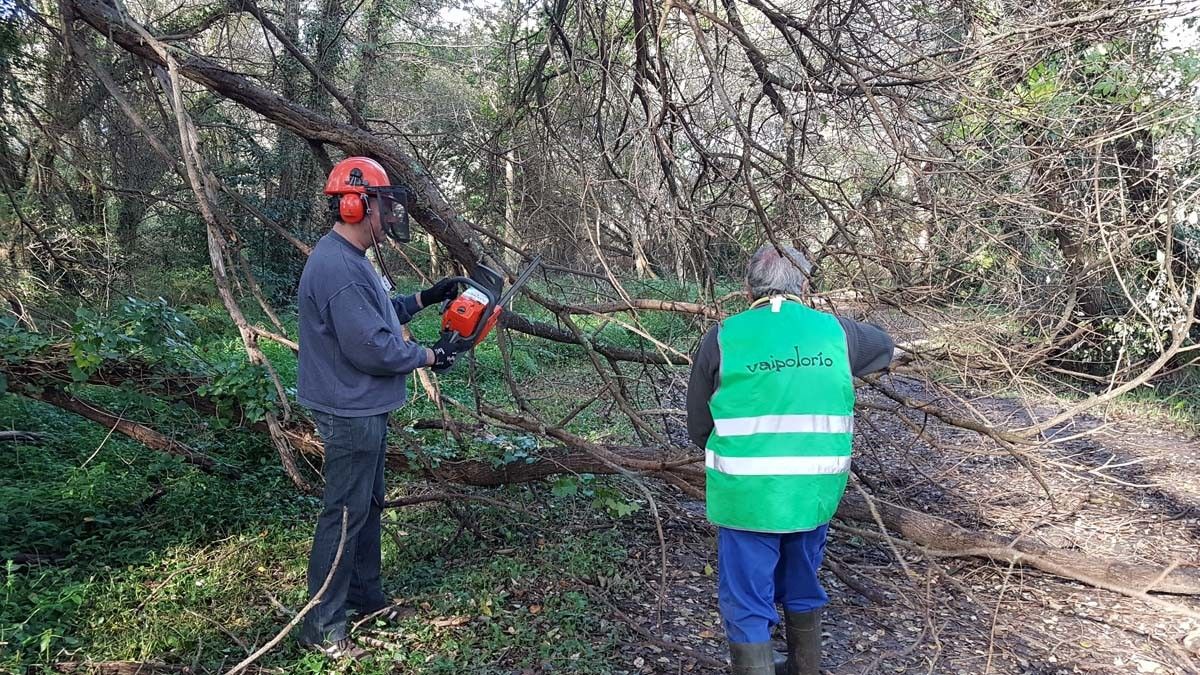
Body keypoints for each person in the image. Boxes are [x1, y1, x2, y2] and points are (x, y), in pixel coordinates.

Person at [685, 244, 895, 675]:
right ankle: (804, 668)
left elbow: (698, 426)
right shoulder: (837, 333)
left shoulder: (724, 336)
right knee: (802, 583)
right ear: (805, 285)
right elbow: (886, 348)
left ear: (747, 289)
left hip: (747, 497)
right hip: (813, 494)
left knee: (746, 599)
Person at [295, 156, 471, 659]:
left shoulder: (352, 261)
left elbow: (383, 315)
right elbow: (372, 347)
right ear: (354, 205)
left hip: (363, 406)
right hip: (349, 408)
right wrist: (432, 355)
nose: (390, 214)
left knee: (367, 505)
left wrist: (426, 296)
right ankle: (322, 624)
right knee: (346, 514)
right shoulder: (338, 268)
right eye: (382, 204)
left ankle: (365, 598)